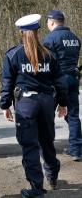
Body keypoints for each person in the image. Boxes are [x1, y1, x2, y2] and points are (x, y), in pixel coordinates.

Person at [0, 14, 68, 198]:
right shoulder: (50, 55)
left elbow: (7, 82)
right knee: (47, 141)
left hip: (26, 104)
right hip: (46, 102)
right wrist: (63, 103)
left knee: (30, 146)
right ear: (38, 31)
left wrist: (5, 105)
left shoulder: (13, 55)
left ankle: (36, 188)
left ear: (21, 33)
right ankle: (52, 176)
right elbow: (60, 81)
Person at [43, 10, 82, 162]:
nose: (47, 24)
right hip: (73, 78)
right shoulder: (75, 38)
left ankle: (48, 149)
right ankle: (76, 150)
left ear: (52, 22)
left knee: (48, 116)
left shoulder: (50, 38)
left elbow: (46, 62)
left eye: (47, 21)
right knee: (72, 115)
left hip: (56, 80)